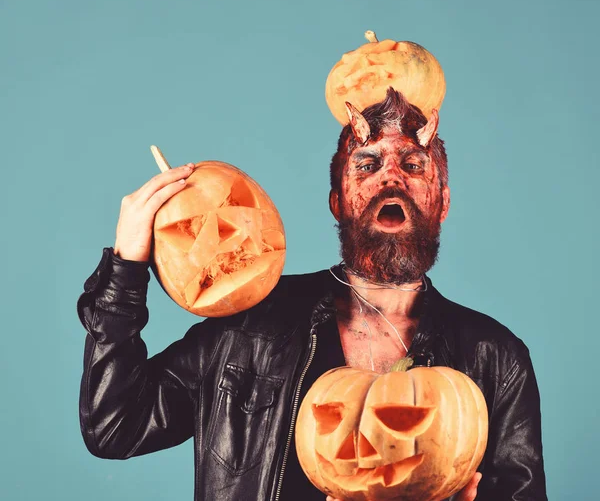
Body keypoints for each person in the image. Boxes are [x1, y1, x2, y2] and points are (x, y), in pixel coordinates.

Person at [77, 88, 547, 500]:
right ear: (337, 202)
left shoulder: (496, 359)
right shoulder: (248, 326)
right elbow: (115, 426)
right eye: (367, 164)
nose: (392, 178)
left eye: (413, 164)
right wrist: (126, 270)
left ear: (442, 202)